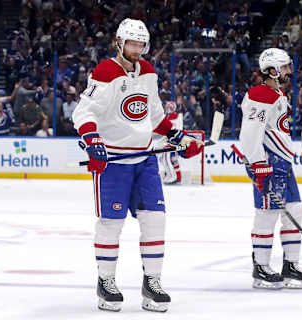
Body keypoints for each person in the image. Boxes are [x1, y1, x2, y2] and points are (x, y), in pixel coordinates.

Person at [72, 18, 203, 313]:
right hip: (113, 163)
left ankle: (152, 282)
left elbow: (154, 115)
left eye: (141, 44)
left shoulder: (148, 73)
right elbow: (83, 112)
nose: (137, 49)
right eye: (132, 43)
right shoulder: (105, 72)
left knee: (155, 220)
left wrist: (178, 137)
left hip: (145, 159)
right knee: (111, 224)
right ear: (120, 42)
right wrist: (93, 141)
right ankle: (106, 282)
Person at [239, 48, 302, 290]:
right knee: (267, 214)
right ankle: (260, 268)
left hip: (282, 164)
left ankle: (290, 266)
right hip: (268, 164)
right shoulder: (261, 95)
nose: (290, 71)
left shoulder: (277, 94)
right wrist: (258, 165)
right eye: (286, 67)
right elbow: (250, 134)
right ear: (273, 70)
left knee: (295, 210)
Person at [156, 101, 183, 184]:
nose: (167, 108)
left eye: (169, 107)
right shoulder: (168, 116)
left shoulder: (175, 116)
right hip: (169, 141)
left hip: (171, 141)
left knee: (165, 158)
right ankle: (176, 176)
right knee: (172, 159)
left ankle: (172, 176)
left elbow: (175, 129)